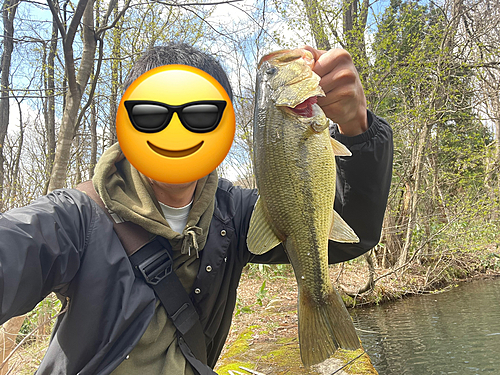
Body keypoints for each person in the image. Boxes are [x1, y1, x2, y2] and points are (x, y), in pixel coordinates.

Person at [0, 43, 393, 374]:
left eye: (201, 115)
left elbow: (350, 234)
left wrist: (358, 130)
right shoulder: (74, 219)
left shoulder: (234, 214)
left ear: (225, 128)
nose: (177, 129)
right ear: (126, 124)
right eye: (152, 116)